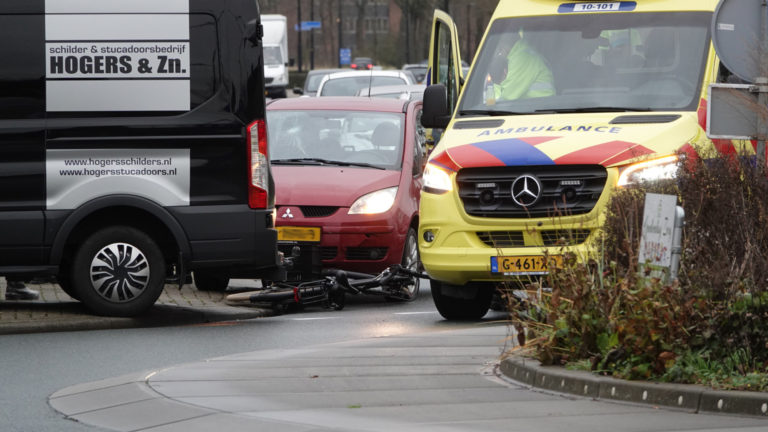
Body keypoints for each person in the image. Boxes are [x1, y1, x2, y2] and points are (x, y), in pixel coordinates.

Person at [491, 27, 555, 100]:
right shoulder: (519, 54)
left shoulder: (522, 58)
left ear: (504, 44)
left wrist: (493, 88)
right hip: (533, 106)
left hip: (541, 107)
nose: (500, 53)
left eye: (500, 48)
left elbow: (505, 96)